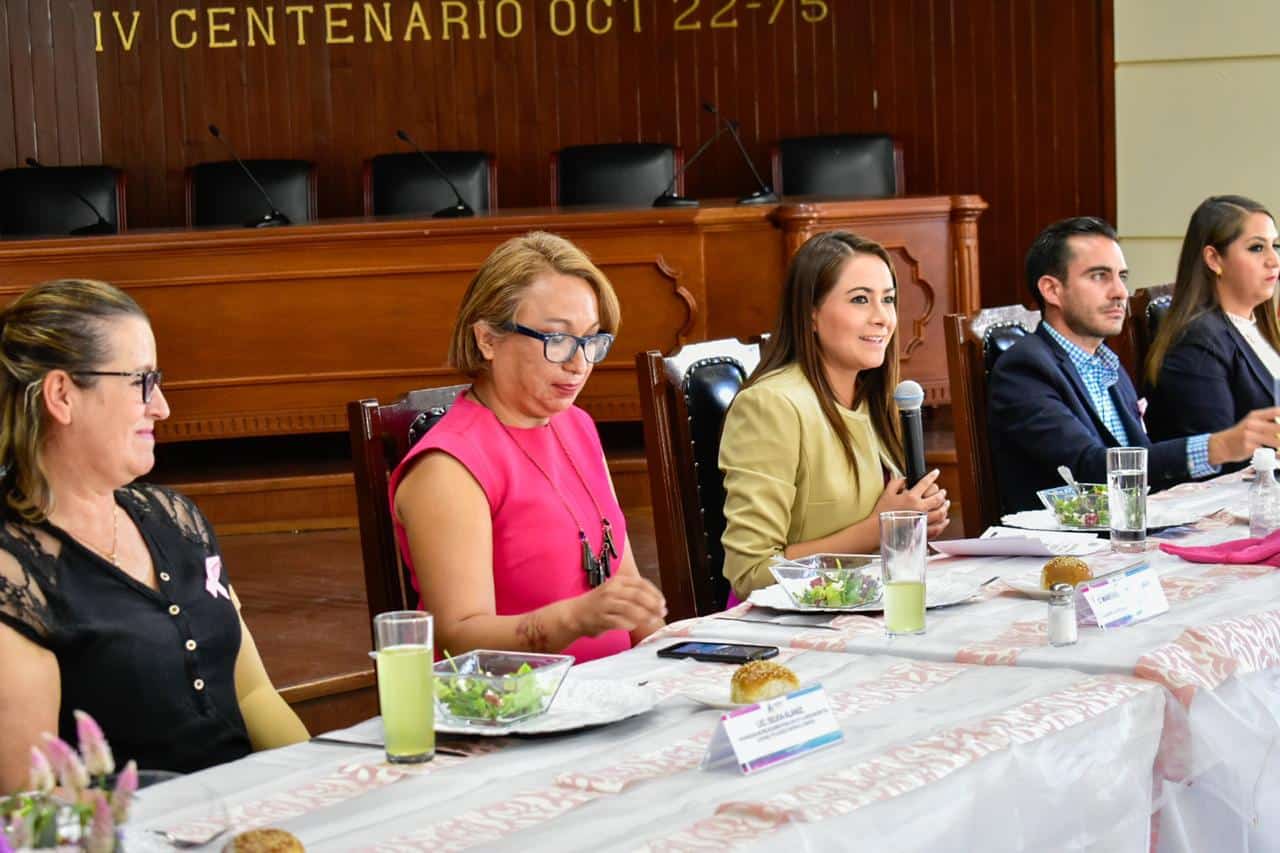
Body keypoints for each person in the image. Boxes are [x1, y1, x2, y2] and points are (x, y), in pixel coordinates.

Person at [0, 279, 307, 794]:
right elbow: (34, 802)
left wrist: (319, 781)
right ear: (62, 395)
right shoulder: (13, 573)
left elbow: (251, 693)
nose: (161, 406)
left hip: (248, 812)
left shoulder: (174, 519)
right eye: (141, 381)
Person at [390, 232, 666, 664]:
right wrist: (573, 619)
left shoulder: (577, 425)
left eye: (591, 340)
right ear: (487, 339)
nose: (579, 363)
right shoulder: (448, 467)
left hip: (616, 685)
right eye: (557, 340)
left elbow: (626, 589)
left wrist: (676, 660)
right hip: (518, 699)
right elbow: (458, 638)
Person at [988, 217, 1280, 513]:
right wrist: (1217, 447)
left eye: (1122, 277)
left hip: (1139, 523)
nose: (1120, 292)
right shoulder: (1024, 369)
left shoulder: (1107, 363)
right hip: (1070, 536)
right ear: (1052, 290)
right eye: (1099, 276)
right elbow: (1088, 468)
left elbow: (1146, 464)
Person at [717, 231, 950, 601]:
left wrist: (913, 521)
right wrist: (879, 529)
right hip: (787, 621)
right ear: (811, 314)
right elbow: (752, 574)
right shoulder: (769, 405)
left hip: (868, 606)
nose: (882, 318)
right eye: (860, 299)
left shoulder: (875, 399)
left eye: (888, 299)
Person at [1144, 195, 1280, 458]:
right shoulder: (1196, 340)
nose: (1274, 260)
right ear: (1214, 259)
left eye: (1275, 245)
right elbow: (1218, 456)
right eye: (1256, 248)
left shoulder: (1258, 330)